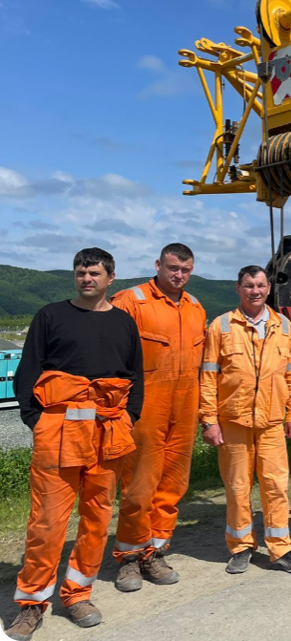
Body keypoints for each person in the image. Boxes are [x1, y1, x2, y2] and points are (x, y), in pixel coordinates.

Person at [6, 248, 143, 641]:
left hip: (108, 432)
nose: (87, 279)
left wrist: (130, 417)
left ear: (110, 278)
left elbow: (135, 376)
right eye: (81, 272)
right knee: (47, 522)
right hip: (58, 432)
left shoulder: (123, 323)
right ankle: (32, 604)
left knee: (97, 519)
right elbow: (27, 373)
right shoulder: (51, 316)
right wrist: (36, 420)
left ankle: (78, 594)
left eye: (95, 273)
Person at [199, 265, 291, 574]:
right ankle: (241, 546)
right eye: (249, 285)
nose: (255, 291)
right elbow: (208, 376)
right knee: (237, 488)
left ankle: (280, 549)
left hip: (272, 421)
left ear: (269, 288)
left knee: (276, 487)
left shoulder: (283, 326)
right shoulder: (221, 326)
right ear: (238, 288)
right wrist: (209, 419)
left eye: (260, 285)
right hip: (234, 421)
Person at [112, 244, 207, 592]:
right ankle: (129, 557)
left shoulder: (195, 307)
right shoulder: (131, 302)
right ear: (158, 265)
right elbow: (112, 356)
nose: (178, 275)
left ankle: (155, 551)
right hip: (145, 408)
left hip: (184, 407)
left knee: (172, 486)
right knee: (139, 486)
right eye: (172, 268)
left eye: (185, 270)